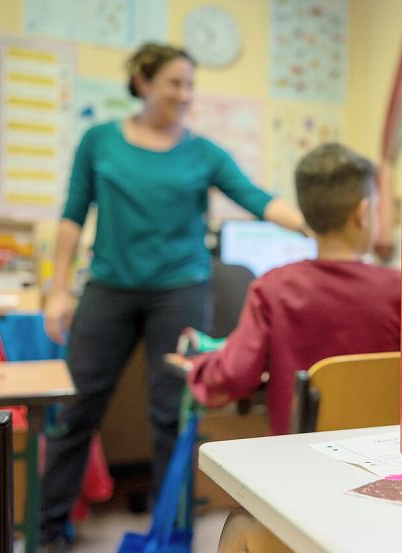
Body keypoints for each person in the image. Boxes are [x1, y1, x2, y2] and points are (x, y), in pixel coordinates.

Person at [39, 43, 303, 549]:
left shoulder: (203, 153)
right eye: (174, 83)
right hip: (109, 289)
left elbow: (256, 198)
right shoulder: (99, 142)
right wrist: (56, 291)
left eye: (189, 85)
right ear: (142, 81)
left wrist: (318, 223)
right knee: (77, 410)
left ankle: (170, 534)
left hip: (179, 292)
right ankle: (48, 531)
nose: (184, 95)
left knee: (172, 417)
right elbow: (73, 216)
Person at [183, 143, 401, 435]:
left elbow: (234, 374)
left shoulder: (272, 288)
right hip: (385, 457)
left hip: (296, 461)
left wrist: (197, 367)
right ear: (363, 214)